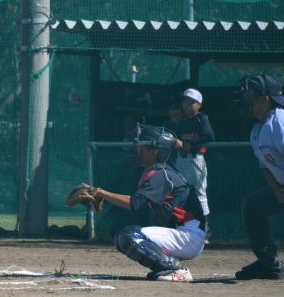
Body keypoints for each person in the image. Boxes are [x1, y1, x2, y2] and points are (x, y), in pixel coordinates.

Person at [92, 125, 206, 282]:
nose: (134, 151)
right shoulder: (159, 172)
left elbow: (134, 203)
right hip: (185, 233)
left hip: (189, 235)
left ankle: (176, 269)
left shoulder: (159, 174)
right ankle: (166, 267)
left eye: (140, 148)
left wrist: (100, 193)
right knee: (121, 239)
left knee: (131, 235)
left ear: (153, 153)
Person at [233, 74, 284, 280]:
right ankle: (268, 264)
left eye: (250, 95)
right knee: (253, 205)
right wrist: (277, 190)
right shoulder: (258, 128)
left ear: (265, 99)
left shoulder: (279, 123)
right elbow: (266, 166)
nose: (245, 99)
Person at [173, 88, 214, 234]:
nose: (187, 105)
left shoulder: (201, 118)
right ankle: (185, 227)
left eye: (191, 102)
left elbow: (210, 136)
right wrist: (175, 141)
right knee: (180, 192)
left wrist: (192, 143)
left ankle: (204, 230)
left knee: (199, 193)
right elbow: (174, 136)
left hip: (195, 160)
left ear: (199, 104)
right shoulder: (182, 121)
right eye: (185, 102)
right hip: (181, 159)